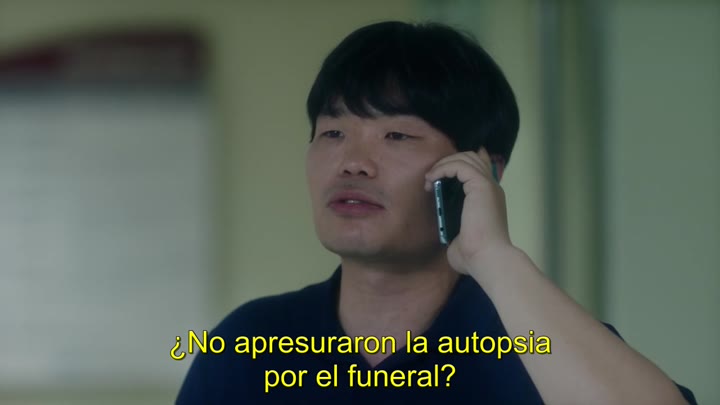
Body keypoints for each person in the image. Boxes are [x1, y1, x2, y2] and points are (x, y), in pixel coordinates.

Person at [177, 21, 696, 404]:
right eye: (332, 132)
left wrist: (494, 258)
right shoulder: (251, 345)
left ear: (480, 171)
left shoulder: (539, 345)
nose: (352, 162)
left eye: (397, 135)